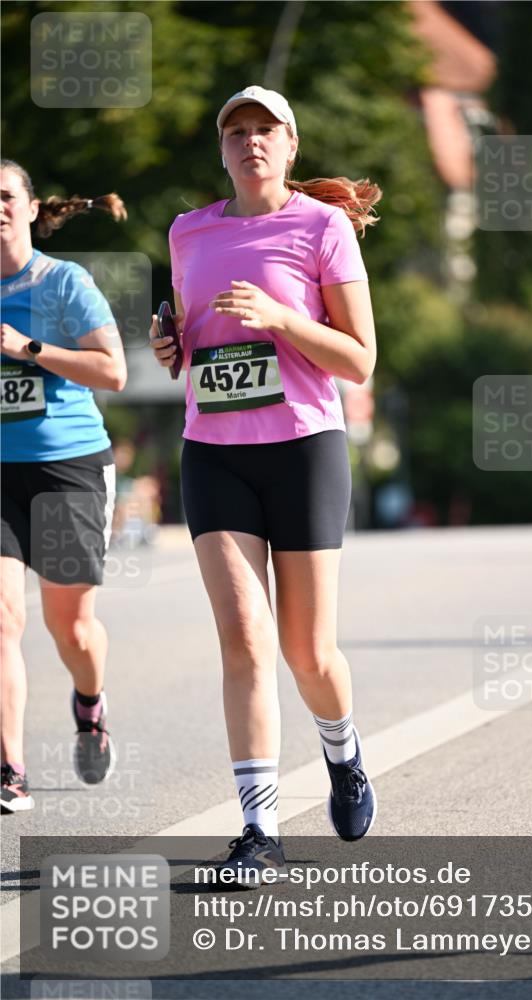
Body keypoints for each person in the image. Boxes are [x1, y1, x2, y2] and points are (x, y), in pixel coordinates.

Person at [150, 85, 381, 881]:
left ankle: (343, 753)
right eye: (236, 131)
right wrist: (171, 345)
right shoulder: (187, 232)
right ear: (221, 150)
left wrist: (283, 320)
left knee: (306, 650)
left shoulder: (320, 228)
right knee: (244, 638)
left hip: (303, 447)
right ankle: (259, 833)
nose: (250, 141)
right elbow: (196, 335)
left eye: (265, 130)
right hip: (213, 449)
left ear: (289, 146)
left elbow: (359, 360)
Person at [0, 160, 128, 813]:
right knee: (1, 617)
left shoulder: (62, 282)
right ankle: (9, 769)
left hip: (66, 466)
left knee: (70, 628)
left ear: (28, 208)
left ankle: (89, 705)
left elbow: (113, 371)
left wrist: (27, 348)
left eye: (4, 196)